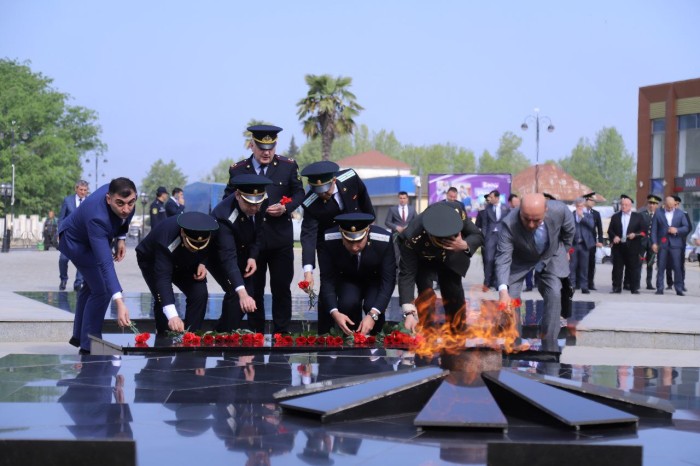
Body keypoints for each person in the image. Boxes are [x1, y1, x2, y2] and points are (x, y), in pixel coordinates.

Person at [224, 125, 305, 333]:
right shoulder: (238, 170)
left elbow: (299, 194)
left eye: (271, 147)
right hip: (251, 243)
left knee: (281, 289)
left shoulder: (287, 166)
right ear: (252, 145)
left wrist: (286, 208)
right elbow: (227, 200)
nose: (266, 152)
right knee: (254, 290)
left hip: (280, 240)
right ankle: (256, 334)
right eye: (261, 147)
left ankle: (281, 335)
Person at [58, 177, 137, 354]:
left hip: (93, 237)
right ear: (108, 199)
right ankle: (90, 345)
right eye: (120, 204)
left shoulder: (127, 199)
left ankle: (80, 336)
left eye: (131, 203)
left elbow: (124, 219)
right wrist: (119, 301)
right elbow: (105, 263)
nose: (126, 209)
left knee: (91, 286)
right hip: (75, 242)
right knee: (102, 290)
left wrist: (121, 239)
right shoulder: (97, 218)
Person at [300, 160, 375, 334]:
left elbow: (364, 199)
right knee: (329, 286)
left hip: (357, 238)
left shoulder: (350, 178)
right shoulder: (310, 201)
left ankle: (357, 331)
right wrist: (308, 272)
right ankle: (325, 334)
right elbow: (308, 235)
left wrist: (367, 227)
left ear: (334, 180)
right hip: (329, 246)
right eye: (317, 190)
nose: (322, 195)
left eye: (325, 190)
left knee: (355, 289)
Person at [496, 193, 575, 346]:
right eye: (526, 219)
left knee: (554, 293)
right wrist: (503, 292)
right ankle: (514, 342)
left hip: (550, 255)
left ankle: (549, 342)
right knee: (511, 300)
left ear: (546, 210)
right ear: (519, 211)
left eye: (536, 220)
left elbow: (569, 231)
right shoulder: (509, 224)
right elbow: (503, 259)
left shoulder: (559, 210)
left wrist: (565, 249)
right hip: (520, 259)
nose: (531, 225)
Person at [398, 202, 483, 333]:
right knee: (425, 293)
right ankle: (427, 331)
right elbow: (407, 275)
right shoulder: (411, 237)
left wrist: (464, 245)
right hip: (424, 259)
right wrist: (408, 312)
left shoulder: (457, 213)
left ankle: (458, 331)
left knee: (453, 292)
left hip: (453, 253)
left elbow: (477, 235)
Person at [136, 211, 219, 336]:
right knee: (162, 298)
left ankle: (192, 337)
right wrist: (173, 315)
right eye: (192, 245)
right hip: (153, 260)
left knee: (199, 293)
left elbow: (207, 247)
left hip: (186, 260)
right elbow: (163, 279)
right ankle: (164, 338)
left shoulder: (210, 229)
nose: (195, 249)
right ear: (182, 233)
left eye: (198, 246)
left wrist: (202, 263)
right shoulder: (165, 240)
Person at [209, 174, 271, 333]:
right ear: (237, 195)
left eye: (258, 204)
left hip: (244, 252)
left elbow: (259, 232)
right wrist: (242, 293)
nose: (254, 208)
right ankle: (223, 335)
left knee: (248, 293)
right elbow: (228, 258)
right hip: (218, 256)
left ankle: (221, 333)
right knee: (237, 294)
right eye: (250, 203)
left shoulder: (260, 203)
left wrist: (253, 256)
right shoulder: (224, 216)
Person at [319, 213, 396, 336]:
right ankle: (349, 338)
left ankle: (377, 339)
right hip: (347, 278)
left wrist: (373, 314)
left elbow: (389, 279)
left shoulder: (384, 240)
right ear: (341, 234)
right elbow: (327, 279)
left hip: (374, 279)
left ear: (367, 232)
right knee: (347, 303)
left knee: (373, 305)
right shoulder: (329, 239)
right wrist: (334, 312)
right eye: (349, 241)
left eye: (359, 241)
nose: (354, 247)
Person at [652, 195, 690, 295]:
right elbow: (654, 230)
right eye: (668, 206)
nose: (670, 208)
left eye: (671, 206)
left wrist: (677, 230)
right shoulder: (658, 213)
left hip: (676, 244)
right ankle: (660, 288)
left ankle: (679, 288)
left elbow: (686, 227)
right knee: (661, 266)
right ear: (664, 204)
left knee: (677, 266)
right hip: (662, 244)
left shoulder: (680, 214)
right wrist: (654, 243)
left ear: (675, 205)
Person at [607, 195, 645, 294]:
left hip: (632, 246)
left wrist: (635, 235)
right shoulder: (615, 216)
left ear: (630, 206)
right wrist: (614, 236)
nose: (623, 206)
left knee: (633, 268)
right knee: (617, 268)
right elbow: (610, 230)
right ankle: (616, 287)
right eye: (622, 205)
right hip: (619, 246)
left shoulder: (638, 217)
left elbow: (643, 232)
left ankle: (633, 288)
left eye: (626, 205)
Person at [475, 189, 510, 290]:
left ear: (497, 198)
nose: (489, 199)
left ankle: (498, 282)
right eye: (489, 197)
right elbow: (484, 224)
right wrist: (483, 238)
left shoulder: (506, 208)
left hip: (502, 237)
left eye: (491, 197)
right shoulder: (487, 208)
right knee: (488, 259)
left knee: (500, 260)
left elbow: (509, 223)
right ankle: (487, 282)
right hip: (490, 236)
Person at [58, 180, 88, 291]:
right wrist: (59, 233)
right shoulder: (67, 200)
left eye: (85, 190)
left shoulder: (89, 202)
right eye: (81, 189)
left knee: (81, 260)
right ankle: (63, 279)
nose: (83, 192)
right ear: (76, 189)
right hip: (68, 236)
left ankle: (78, 283)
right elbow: (61, 218)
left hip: (83, 237)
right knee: (63, 259)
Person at [568, 197, 595, 294]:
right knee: (572, 266)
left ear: (584, 206)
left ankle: (584, 286)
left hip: (584, 245)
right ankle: (572, 285)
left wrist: (582, 216)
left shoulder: (588, 215)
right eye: (578, 206)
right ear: (576, 206)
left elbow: (591, 226)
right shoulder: (571, 215)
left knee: (584, 267)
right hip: (574, 244)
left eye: (582, 206)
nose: (580, 208)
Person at [665, 195, 692, 292]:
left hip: (680, 242)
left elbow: (689, 228)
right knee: (668, 263)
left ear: (678, 204)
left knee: (680, 264)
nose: (674, 206)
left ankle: (681, 283)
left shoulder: (683, 214)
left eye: (675, 204)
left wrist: (678, 233)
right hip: (668, 242)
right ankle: (669, 283)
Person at [384, 191, 416, 266]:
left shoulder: (412, 209)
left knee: (408, 253)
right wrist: (396, 227)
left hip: (408, 236)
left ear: (407, 199)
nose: (402, 200)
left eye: (404, 198)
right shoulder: (392, 209)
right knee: (396, 254)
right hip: (396, 236)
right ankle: (396, 272)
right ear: (398, 199)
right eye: (401, 198)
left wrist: (409, 227)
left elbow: (416, 221)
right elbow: (387, 222)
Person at [639, 194, 661, 290]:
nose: (651, 205)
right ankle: (636, 282)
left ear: (657, 205)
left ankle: (649, 283)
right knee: (638, 263)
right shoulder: (642, 214)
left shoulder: (660, 216)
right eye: (650, 203)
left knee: (650, 264)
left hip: (652, 243)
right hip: (642, 242)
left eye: (654, 203)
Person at [583, 192, 604, 290]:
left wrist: (600, 241)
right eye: (592, 200)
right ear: (586, 200)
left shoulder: (596, 214)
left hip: (591, 243)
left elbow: (599, 229)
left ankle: (590, 283)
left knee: (591, 263)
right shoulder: (579, 212)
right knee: (580, 263)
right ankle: (580, 282)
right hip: (581, 242)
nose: (593, 203)